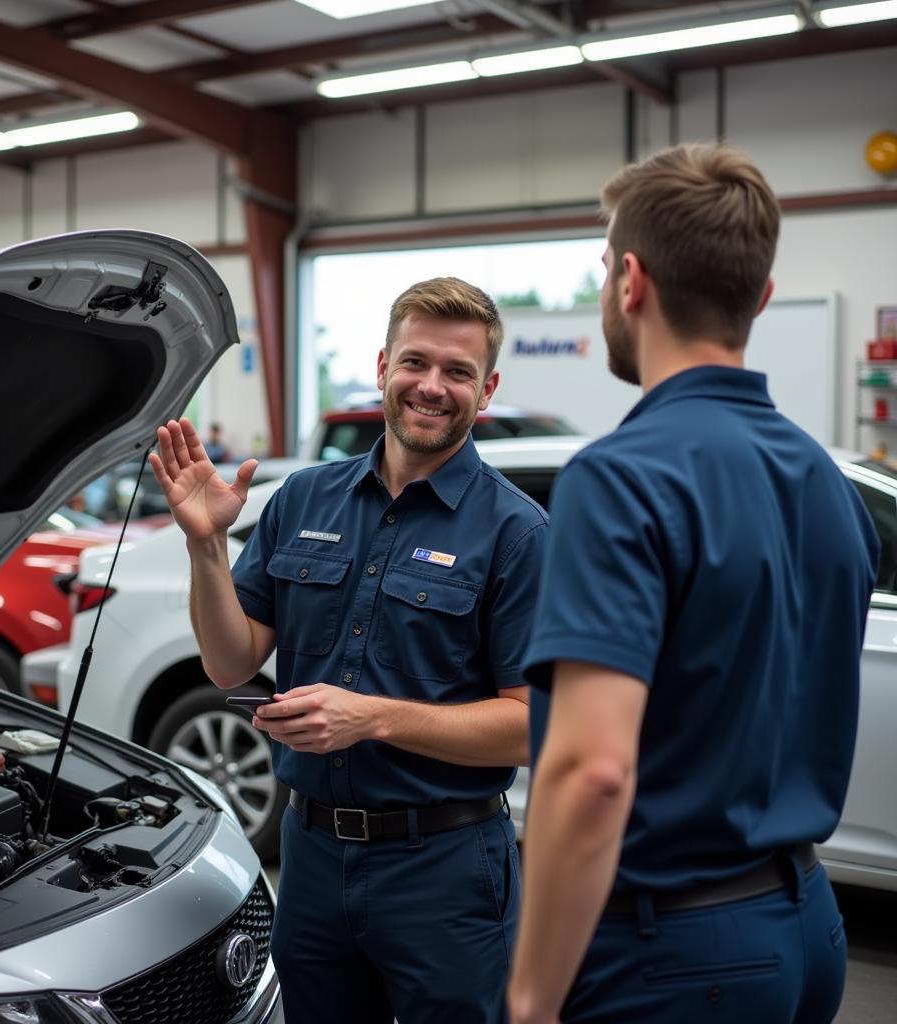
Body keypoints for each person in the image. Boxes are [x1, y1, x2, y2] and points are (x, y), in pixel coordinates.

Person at [506, 144, 880, 1024]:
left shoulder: (621, 477)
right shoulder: (828, 484)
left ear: (630, 281)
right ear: (759, 297)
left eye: (604, 267)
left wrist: (529, 998)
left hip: (669, 957)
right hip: (808, 932)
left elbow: (593, 770)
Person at [150, 277, 547, 1024]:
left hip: (447, 870)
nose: (432, 387)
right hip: (311, 858)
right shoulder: (303, 499)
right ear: (381, 366)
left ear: (486, 388)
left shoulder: (516, 534)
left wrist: (371, 719)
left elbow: (532, 727)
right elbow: (230, 663)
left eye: (457, 372)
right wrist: (205, 548)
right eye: (415, 362)